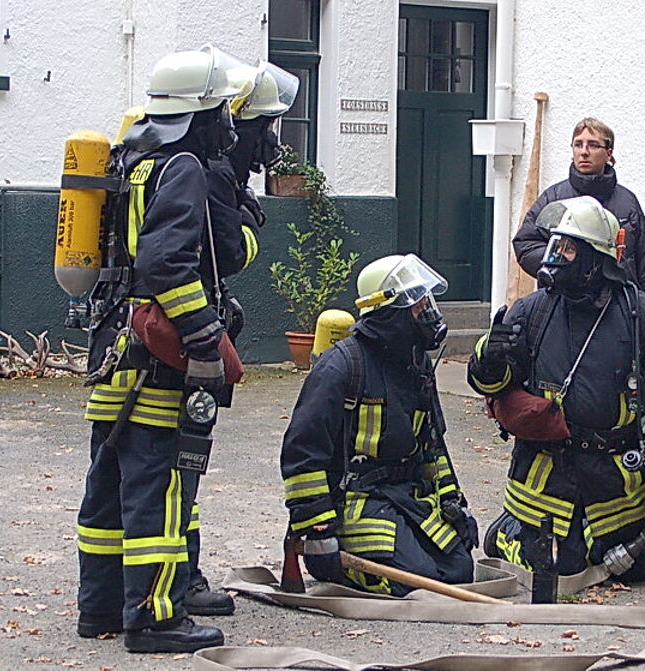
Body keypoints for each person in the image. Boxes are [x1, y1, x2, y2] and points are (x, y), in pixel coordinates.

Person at [76, 45, 255, 653]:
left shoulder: (133, 157)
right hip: (156, 358)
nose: (229, 121)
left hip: (113, 346)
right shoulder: (183, 166)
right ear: (203, 112)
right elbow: (165, 264)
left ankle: (99, 606)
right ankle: (154, 619)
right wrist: (205, 335)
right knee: (159, 487)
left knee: (108, 484)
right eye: (222, 109)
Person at [468, 196, 645, 584]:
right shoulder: (531, 311)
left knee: (639, 567)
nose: (554, 257)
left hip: (614, 477)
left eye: (568, 249)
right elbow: (495, 388)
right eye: (555, 245)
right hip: (546, 473)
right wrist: (489, 360)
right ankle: (507, 533)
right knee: (561, 568)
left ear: (595, 259)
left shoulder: (643, 316)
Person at [279, 254, 477, 596]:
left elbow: (432, 447)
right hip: (354, 503)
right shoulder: (342, 366)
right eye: (417, 304)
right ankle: (335, 566)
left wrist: (453, 503)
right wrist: (319, 530)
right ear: (390, 311)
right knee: (414, 584)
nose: (428, 312)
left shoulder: (416, 364)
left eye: (427, 302)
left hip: (405, 496)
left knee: (459, 571)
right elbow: (301, 453)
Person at [182, 61, 299, 617]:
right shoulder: (211, 176)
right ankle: (180, 580)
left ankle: (125, 589)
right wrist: (249, 224)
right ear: (236, 123)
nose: (271, 140)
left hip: (155, 335)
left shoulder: (191, 167)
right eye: (266, 126)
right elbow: (227, 254)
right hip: (184, 342)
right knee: (181, 462)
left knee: (153, 467)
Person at [512, 118, 645, 307]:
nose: (584, 152)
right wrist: (565, 262)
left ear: (609, 153)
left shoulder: (628, 203)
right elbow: (525, 244)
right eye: (578, 144)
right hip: (564, 306)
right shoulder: (554, 198)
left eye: (593, 145)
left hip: (618, 307)